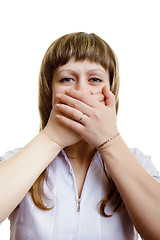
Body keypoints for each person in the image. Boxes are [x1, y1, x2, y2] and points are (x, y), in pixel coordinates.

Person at [0, 32, 160, 240]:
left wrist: (110, 142)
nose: (82, 90)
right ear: (50, 93)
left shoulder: (138, 162)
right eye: (67, 79)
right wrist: (52, 138)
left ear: (110, 92)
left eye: (95, 79)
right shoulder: (18, 160)